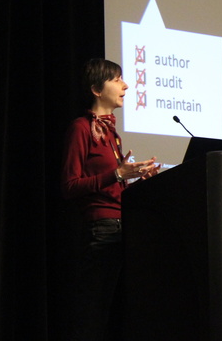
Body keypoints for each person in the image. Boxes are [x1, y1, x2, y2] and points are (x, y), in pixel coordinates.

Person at [61, 58, 160, 341]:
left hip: (122, 228)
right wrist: (116, 174)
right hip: (101, 230)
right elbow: (69, 186)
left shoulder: (111, 134)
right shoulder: (81, 128)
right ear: (96, 89)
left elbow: (114, 187)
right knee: (92, 315)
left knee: (121, 315)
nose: (125, 85)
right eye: (117, 79)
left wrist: (138, 181)